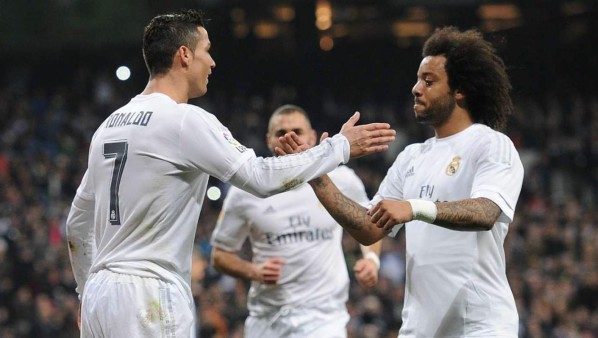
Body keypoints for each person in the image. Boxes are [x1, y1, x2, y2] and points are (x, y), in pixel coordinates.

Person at [64, 9, 395, 338]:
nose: (212, 62)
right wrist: (339, 147)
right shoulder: (183, 120)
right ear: (184, 55)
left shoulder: (107, 128)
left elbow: (76, 227)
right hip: (149, 293)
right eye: (206, 51)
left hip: (98, 295)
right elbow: (260, 177)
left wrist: (85, 292)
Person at [279, 26, 524, 337]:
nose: (415, 88)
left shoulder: (490, 144)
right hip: (419, 328)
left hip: (480, 325)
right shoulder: (411, 157)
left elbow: (486, 212)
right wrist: (316, 176)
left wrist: (414, 207)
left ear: (460, 90)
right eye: (417, 79)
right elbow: (369, 229)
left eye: (429, 81)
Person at [210, 104, 382, 338]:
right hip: (267, 319)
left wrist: (371, 259)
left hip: (323, 318)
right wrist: (253, 271)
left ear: (312, 137)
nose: (289, 136)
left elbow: (369, 224)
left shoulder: (342, 180)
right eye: (281, 133)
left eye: (297, 131)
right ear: (269, 139)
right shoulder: (244, 192)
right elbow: (220, 255)